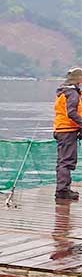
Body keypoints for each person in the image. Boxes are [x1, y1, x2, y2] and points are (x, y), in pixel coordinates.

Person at [53, 67, 82, 200]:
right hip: (67, 130)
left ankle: (63, 188)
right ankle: (63, 190)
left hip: (61, 129)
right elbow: (71, 113)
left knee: (63, 160)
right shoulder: (73, 93)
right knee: (66, 161)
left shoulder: (64, 92)